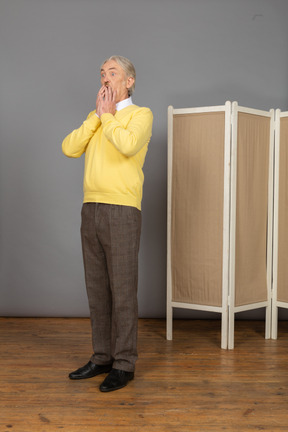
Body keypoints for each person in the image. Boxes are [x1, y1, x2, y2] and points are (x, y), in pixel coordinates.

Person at [62, 55, 153, 392]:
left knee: (123, 290)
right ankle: (102, 357)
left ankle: (124, 364)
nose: (105, 77)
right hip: (92, 208)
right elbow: (69, 148)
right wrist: (96, 119)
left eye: (112, 72)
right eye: (102, 72)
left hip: (123, 209)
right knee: (97, 290)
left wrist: (110, 118)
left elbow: (128, 145)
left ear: (129, 81)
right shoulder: (98, 117)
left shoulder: (141, 115)